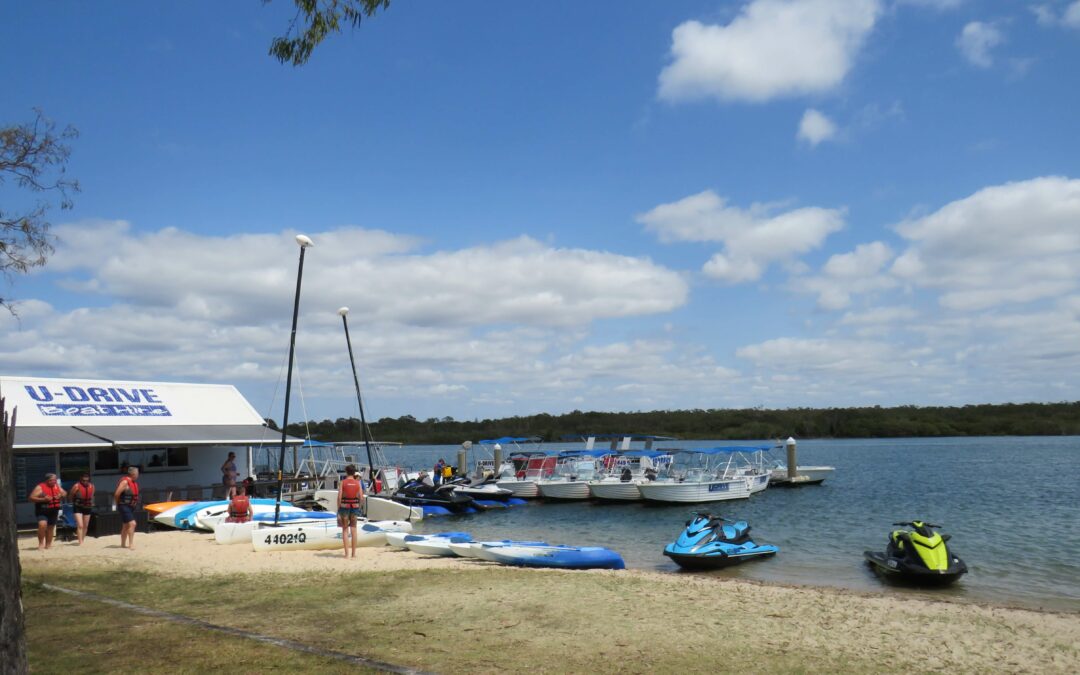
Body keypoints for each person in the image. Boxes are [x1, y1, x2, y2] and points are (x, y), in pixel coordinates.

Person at [28, 473, 66, 550]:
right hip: (42, 510)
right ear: (47, 480)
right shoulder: (40, 487)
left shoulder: (56, 486)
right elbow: (31, 498)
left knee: (51, 528)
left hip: (53, 510)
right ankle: (41, 544)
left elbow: (65, 493)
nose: (54, 482)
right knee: (42, 525)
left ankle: (48, 545)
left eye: (55, 480)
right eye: (52, 480)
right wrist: (43, 499)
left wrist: (60, 495)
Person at [337, 465, 365, 559]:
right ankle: (353, 554)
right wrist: (359, 507)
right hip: (355, 507)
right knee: (354, 529)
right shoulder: (357, 483)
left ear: (346, 472)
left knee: (345, 530)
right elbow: (361, 497)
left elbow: (339, 496)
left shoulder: (343, 482)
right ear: (354, 473)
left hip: (344, 507)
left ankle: (346, 554)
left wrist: (338, 507)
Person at [114, 466, 140, 550]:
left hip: (131, 506)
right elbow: (116, 494)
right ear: (133, 474)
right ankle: (131, 544)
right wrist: (118, 503)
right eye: (137, 473)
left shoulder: (134, 483)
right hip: (124, 506)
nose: (138, 475)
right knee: (133, 524)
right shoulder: (125, 482)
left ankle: (122, 544)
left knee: (125, 525)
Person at [68, 473, 96, 545]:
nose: (85, 482)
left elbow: (92, 496)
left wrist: (92, 503)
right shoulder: (76, 486)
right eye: (83, 480)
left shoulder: (92, 486)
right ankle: (80, 542)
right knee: (80, 525)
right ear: (81, 480)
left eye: (87, 480)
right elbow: (70, 495)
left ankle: (82, 540)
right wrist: (73, 502)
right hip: (78, 507)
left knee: (85, 525)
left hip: (87, 507)